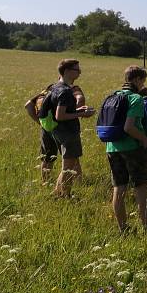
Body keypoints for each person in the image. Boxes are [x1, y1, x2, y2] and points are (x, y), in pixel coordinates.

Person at [105, 66, 147, 233]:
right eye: (143, 80)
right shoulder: (135, 99)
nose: (143, 84)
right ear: (137, 80)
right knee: (141, 187)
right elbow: (128, 127)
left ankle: (123, 228)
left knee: (119, 187)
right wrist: (144, 138)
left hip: (112, 147)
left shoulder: (112, 96)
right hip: (132, 148)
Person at [42, 59, 95, 198]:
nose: (80, 72)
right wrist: (83, 113)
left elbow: (60, 111)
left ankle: (60, 194)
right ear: (66, 71)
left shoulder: (55, 87)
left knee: (68, 166)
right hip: (67, 133)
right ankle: (61, 195)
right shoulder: (65, 91)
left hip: (58, 131)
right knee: (68, 167)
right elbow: (60, 115)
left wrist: (78, 109)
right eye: (76, 69)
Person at [25, 83, 84, 184]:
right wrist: (75, 112)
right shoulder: (71, 89)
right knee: (72, 158)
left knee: (47, 158)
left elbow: (28, 105)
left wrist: (40, 122)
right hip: (63, 127)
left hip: (47, 127)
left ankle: (45, 182)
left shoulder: (49, 89)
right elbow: (80, 99)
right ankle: (79, 183)